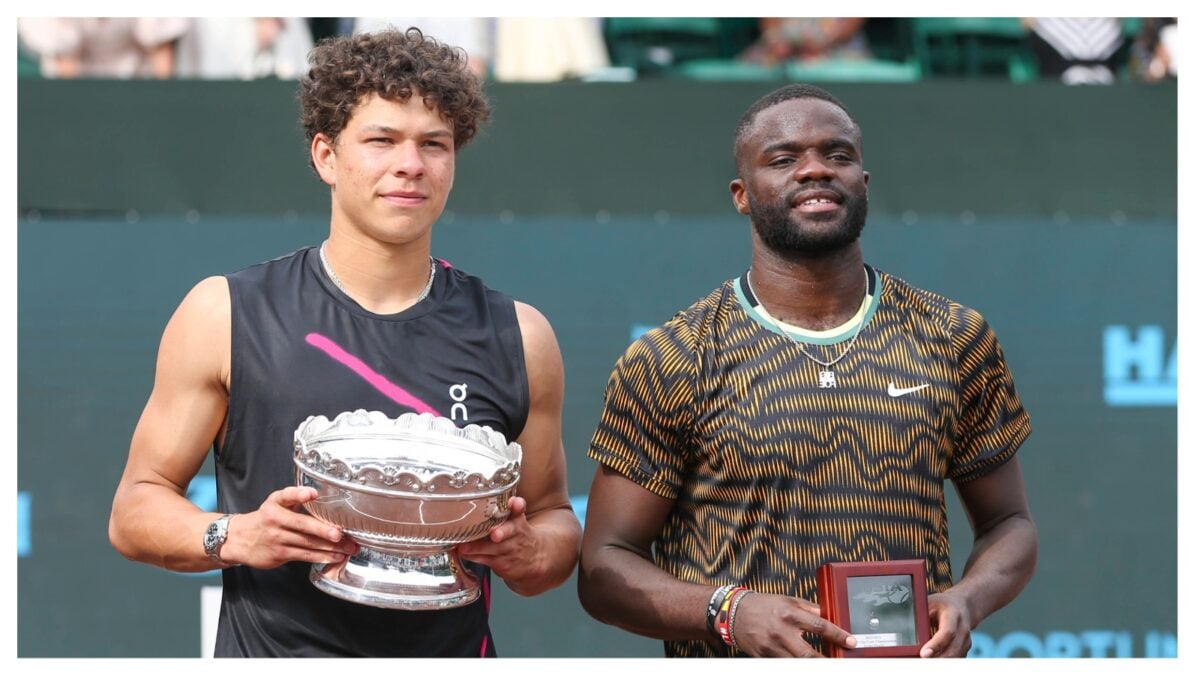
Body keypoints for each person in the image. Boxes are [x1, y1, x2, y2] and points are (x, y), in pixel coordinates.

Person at [109, 28, 581, 657]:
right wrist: (235, 534)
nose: (410, 164)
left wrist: (528, 551)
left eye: (433, 144)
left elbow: (555, 521)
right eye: (382, 140)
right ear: (326, 156)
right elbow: (135, 509)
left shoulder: (518, 334)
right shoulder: (225, 312)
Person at [578, 84, 1037, 658]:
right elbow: (603, 567)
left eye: (838, 155)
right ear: (742, 195)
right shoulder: (676, 355)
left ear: (863, 184)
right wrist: (728, 611)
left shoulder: (951, 334)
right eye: (784, 159)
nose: (815, 170)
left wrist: (967, 598)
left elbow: (1010, 524)